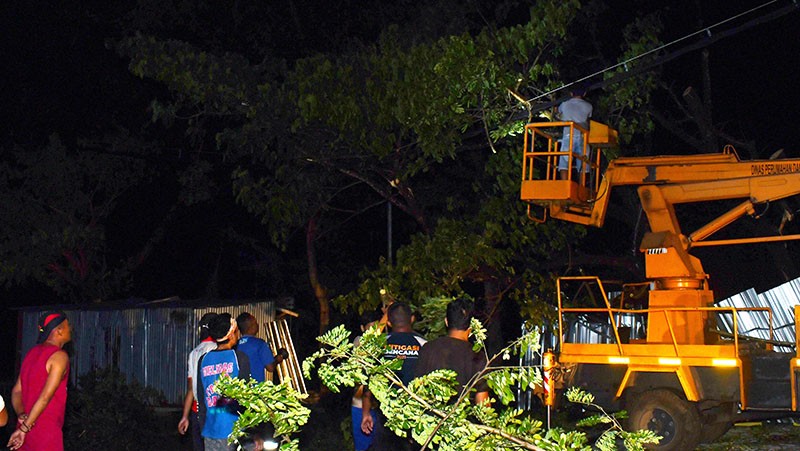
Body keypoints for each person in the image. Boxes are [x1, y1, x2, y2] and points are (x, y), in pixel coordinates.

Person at [363, 302, 427, 451]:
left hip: (386, 417)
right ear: (411, 319)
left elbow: (370, 383)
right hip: (417, 419)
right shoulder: (425, 345)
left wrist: (366, 413)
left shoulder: (378, 345)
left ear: (389, 322)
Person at [8, 311, 72, 451]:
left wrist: (21, 414)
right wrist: (24, 429)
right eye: (68, 326)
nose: (71, 329)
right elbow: (45, 397)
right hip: (45, 432)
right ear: (59, 331)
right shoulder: (59, 356)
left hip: (24, 427)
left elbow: (17, 390)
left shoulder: (32, 353)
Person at [197, 313, 261, 451]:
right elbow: (245, 399)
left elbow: (201, 400)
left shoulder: (203, 360)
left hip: (210, 430)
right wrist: (252, 432)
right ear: (232, 333)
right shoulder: (239, 358)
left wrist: (203, 427)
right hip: (234, 431)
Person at [415, 298, 489, 406]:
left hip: (431, 420)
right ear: (472, 326)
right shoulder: (477, 355)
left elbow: (417, 389)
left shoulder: (428, 349)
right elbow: (483, 402)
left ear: (446, 321)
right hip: (464, 421)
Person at [179, 312, 219, 451]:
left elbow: (191, 388)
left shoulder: (194, 352)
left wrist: (185, 416)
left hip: (196, 411)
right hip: (214, 411)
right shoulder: (217, 350)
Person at [351, 309, 383, 451]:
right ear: (362, 329)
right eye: (370, 329)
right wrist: (387, 315)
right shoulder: (359, 342)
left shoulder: (385, 343)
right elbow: (370, 340)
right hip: (360, 406)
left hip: (379, 407)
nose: (375, 332)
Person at [235, 312, 288, 383]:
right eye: (256, 323)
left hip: (239, 389)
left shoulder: (235, 345)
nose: (257, 325)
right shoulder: (260, 344)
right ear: (251, 326)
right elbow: (270, 367)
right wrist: (278, 358)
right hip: (256, 389)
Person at [557, 85, 593, 180]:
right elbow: (588, 119)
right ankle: (582, 186)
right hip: (583, 137)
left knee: (564, 162)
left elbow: (558, 113)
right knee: (583, 164)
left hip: (568, 135)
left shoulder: (564, 104)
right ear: (584, 93)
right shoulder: (589, 106)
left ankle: (565, 185)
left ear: (571, 93)